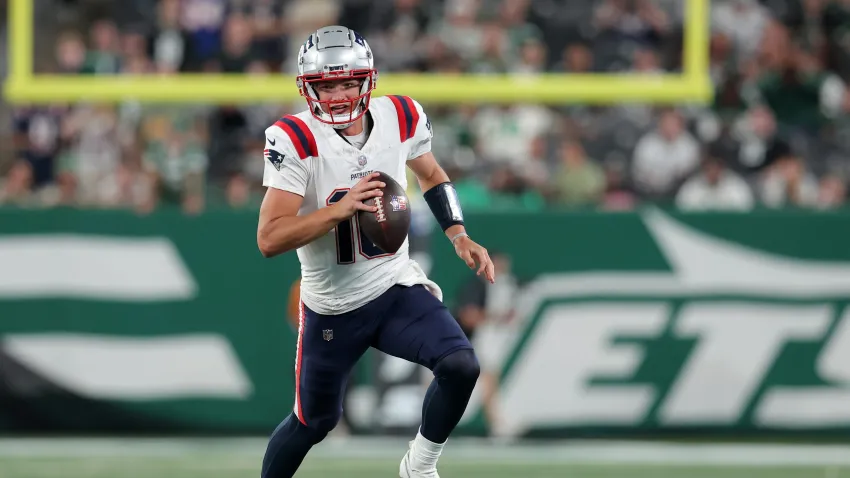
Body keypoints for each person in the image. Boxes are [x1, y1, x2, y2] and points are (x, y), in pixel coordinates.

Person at [256, 25, 496, 478]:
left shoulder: (400, 117)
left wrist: (458, 233)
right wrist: (339, 210)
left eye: (348, 81)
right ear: (309, 88)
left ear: (369, 79)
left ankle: (419, 467)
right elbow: (269, 239)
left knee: (461, 364)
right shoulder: (296, 139)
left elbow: (430, 173)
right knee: (313, 423)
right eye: (328, 85)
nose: (340, 95)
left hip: (393, 286)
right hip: (332, 308)